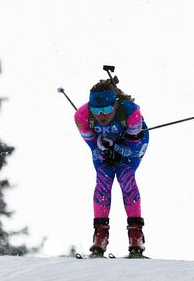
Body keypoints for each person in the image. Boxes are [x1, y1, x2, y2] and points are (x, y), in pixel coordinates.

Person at [74, 79, 149, 257]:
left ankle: (135, 236)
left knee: (126, 178)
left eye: (106, 109)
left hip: (131, 146)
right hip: (104, 148)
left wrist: (116, 149)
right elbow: (93, 145)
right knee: (103, 180)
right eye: (96, 110)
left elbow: (133, 149)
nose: (101, 115)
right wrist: (104, 151)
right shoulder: (82, 116)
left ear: (115, 105)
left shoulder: (131, 112)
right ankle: (100, 236)